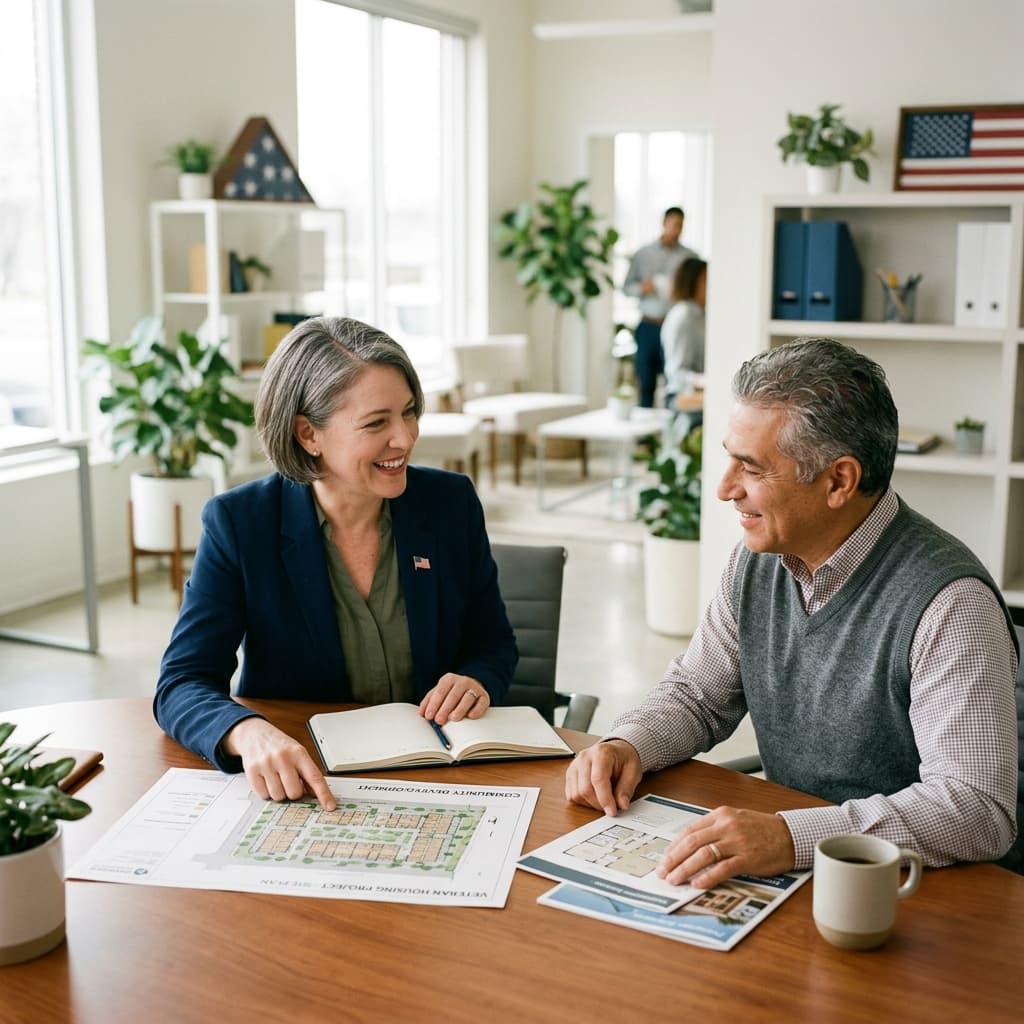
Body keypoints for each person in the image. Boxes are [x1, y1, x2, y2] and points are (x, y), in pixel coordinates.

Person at [566, 337, 1019, 886]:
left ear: (839, 481)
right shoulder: (758, 561)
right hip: (790, 872)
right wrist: (627, 742)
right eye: (728, 459)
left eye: (752, 469)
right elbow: (699, 695)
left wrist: (792, 837)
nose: (725, 489)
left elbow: (977, 809)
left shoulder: (950, 602)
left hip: (908, 891)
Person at [155, 316, 517, 811]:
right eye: (377, 423)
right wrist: (246, 732)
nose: (405, 439)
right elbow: (181, 682)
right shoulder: (241, 524)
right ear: (308, 434)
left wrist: (476, 679)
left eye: (409, 413)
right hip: (310, 785)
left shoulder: (450, 503)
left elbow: (493, 642)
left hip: (440, 777)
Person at [623, 207, 699, 408]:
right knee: (645, 380)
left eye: (680, 225)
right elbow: (626, 287)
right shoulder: (643, 254)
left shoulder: (689, 257)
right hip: (648, 325)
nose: (676, 229)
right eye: (673, 224)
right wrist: (642, 288)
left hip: (675, 325)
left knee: (673, 381)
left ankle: (668, 432)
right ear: (664, 223)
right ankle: (645, 439)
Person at [661, 257, 707, 416]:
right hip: (680, 395)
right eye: (705, 281)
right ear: (692, 283)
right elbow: (676, 374)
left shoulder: (702, 315)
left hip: (700, 390)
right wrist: (707, 380)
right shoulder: (683, 315)